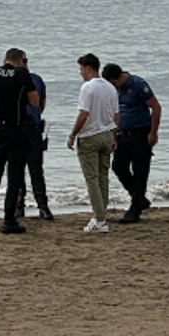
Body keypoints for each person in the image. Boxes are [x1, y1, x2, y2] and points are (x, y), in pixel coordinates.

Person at [0, 48, 40, 234]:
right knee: (14, 175)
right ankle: (9, 219)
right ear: (21, 60)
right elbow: (35, 102)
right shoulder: (22, 75)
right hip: (16, 128)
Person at [102, 63, 162, 224]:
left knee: (140, 171)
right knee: (118, 167)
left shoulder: (138, 85)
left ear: (120, 76)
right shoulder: (113, 90)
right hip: (122, 134)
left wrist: (153, 133)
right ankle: (139, 199)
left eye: (114, 82)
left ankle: (135, 209)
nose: (113, 86)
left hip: (140, 133)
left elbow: (156, 108)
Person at [66, 53, 118, 234]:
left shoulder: (88, 88)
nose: (80, 72)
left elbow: (84, 114)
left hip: (90, 135)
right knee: (103, 176)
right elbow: (117, 115)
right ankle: (101, 212)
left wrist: (73, 134)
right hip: (107, 133)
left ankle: (100, 219)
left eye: (81, 69)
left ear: (88, 68)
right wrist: (114, 136)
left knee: (92, 179)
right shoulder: (110, 88)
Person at [15, 55, 54, 220]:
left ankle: (41, 206)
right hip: (19, 128)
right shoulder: (27, 79)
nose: (24, 64)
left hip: (32, 128)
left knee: (34, 169)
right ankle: (21, 205)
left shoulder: (36, 79)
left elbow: (41, 104)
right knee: (19, 170)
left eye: (25, 61)